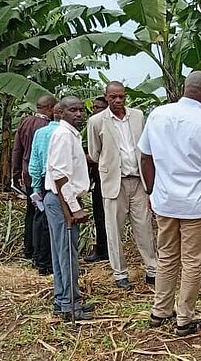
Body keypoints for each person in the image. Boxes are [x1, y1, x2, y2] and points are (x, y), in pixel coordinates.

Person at [139, 71, 201, 337]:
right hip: (196, 205)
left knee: (166, 256)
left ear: (184, 88)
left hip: (164, 201)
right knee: (193, 261)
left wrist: (151, 190)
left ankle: (160, 310)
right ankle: (184, 318)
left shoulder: (157, 115)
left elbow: (145, 157)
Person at [88, 82, 157, 290]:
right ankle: (120, 273)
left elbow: (145, 146)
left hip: (137, 180)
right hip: (113, 182)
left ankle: (152, 269)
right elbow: (94, 153)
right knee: (113, 229)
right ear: (106, 97)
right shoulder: (96, 121)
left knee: (144, 226)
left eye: (121, 97)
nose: (118, 101)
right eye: (113, 97)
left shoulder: (137, 116)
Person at [44, 96, 95, 321]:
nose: (78, 114)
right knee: (66, 254)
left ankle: (63, 299)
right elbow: (59, 176)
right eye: (72, 110)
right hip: (61, 201)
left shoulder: (71, 135)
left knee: (62, 253)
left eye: (80, 110)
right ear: (60, 113)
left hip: (62, 199)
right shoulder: (64, 136)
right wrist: (72, 209)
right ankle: (69, 304)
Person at [12, 95, 56, 260]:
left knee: (31, 212)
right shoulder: (47, 127)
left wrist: (16, 172)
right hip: (42, 175)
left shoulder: (25, 122)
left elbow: (17, 149)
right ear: (50, 108)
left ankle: (28, 249)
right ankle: (40, 253)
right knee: (42, 214)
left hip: (27, 174)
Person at [28, 103, 61, 276]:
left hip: (42, 178)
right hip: (60, 180)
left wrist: (36, 186)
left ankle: (42, 262)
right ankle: (55, 262)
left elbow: (34, 164)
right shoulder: (67, 134)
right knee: (59, 223)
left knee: (42, 221)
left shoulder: (40, 133)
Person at [85, 96, 110, 263]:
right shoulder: (93, 124)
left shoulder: (109, 126)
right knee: (99, 215)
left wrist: (82, 157)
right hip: (98, 178)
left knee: (104, 216)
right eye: (93, 107)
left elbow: (97, 155)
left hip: (107, 177)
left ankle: (104, 250)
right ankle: (103, 248)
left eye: (99, 107)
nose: (95, 110)